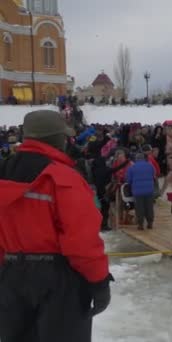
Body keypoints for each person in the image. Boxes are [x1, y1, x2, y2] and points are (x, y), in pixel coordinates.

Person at [0, 110, 112, 342]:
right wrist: (98, 281)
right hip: (59, 279)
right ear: (58, 140)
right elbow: (81, 239)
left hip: (11, 276)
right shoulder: (63, 178)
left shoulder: (3, 174)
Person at [127, 153, 156, 230]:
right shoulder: (150, 166)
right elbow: (154, 175)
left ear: (136, 159)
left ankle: (140, 224)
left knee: (139, 208)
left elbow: (129, 180)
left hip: (137, 191)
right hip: (149, 190)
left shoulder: (132, 167)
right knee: (149, 207)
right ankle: (150, 223)